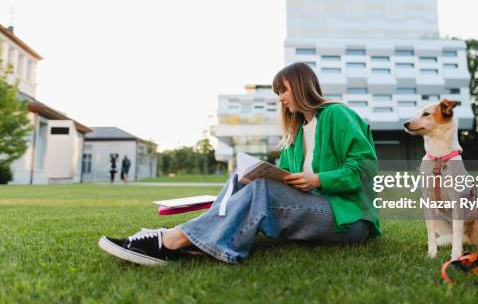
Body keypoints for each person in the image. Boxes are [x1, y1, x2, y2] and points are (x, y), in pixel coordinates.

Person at [98, 62, 381, 265]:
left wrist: (319, 179)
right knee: (241, 179)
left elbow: (365, 169)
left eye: (282, 90)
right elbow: (286, 181)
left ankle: (172, 241)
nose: (280, 99)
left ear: (299, 85)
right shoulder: (294, 137)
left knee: (262, 192)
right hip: (311, 209)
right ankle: (188, 236)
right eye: (277, 94)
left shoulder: (337, 115)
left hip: (349, 219)